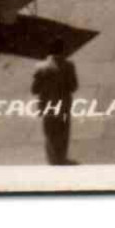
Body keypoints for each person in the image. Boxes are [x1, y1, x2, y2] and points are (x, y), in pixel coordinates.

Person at [31, 37, 79, 166]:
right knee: (63, 133)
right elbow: (73, 86)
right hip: (63, 106)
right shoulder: (69, 65)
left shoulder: (40, 67)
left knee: (50, 134)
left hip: (47, 107)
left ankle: (53, 161)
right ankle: (62, 159)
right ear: (62, 50)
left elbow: (34, 90)